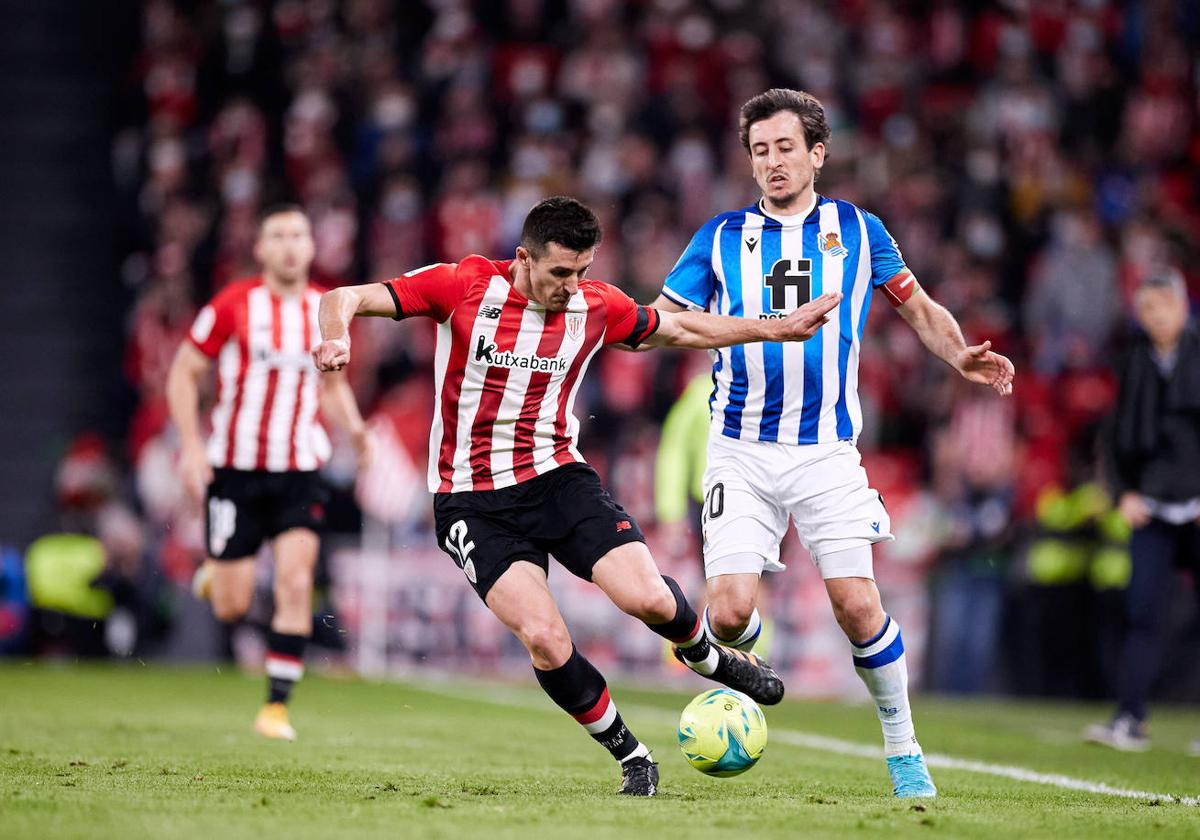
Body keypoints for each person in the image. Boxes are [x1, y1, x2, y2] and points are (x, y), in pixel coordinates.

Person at [312, 195, 841, 796]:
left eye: (583, 270)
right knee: (544, 638)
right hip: (471, 500)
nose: (573, 285)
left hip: (558, 478)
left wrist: (774, 329)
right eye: (560, 272)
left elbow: (682, 327)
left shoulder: (597, 306)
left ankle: (711, 660)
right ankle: (633, 757)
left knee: (646, 597)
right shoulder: (461, 286)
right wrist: (336, 339)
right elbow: (342, 297)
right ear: (523, 259)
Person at [649, 89, 1015, 798]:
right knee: (723, 613)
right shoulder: (721, 237)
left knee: (855, 604)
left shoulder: (857, 228)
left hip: (824, 453)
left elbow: (917, 305)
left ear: (817, 152)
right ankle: (749, 671)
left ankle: (904, 749)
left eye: (785, 148)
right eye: (760, 151)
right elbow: (666, 323)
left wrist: (959, 355)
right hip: (740, 448)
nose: (772, 163)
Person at [166, 204, 371, 741]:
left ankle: (276, 708)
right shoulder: (234, 304)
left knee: (296, 580)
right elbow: (184, 373)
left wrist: (356, 431)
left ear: (311, 246)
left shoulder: (325, 311)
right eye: (277, 235)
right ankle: (218, 570)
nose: (288, 245)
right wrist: (191, 447)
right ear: (259, 249)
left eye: (298, 235)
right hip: (235, 470)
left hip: (300, 468)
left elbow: (332, 386)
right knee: (233, 604)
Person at [1087, 268, 1200, 754]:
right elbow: (1117, 436)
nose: (1156, 317)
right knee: (1142, 614)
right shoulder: (1133, 359)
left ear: (1183, 306)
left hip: (1196, 504)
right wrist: (1124, 492)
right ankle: (1130, 717)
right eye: (1147, 309)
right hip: (1151, 505)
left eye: (1163, 307)